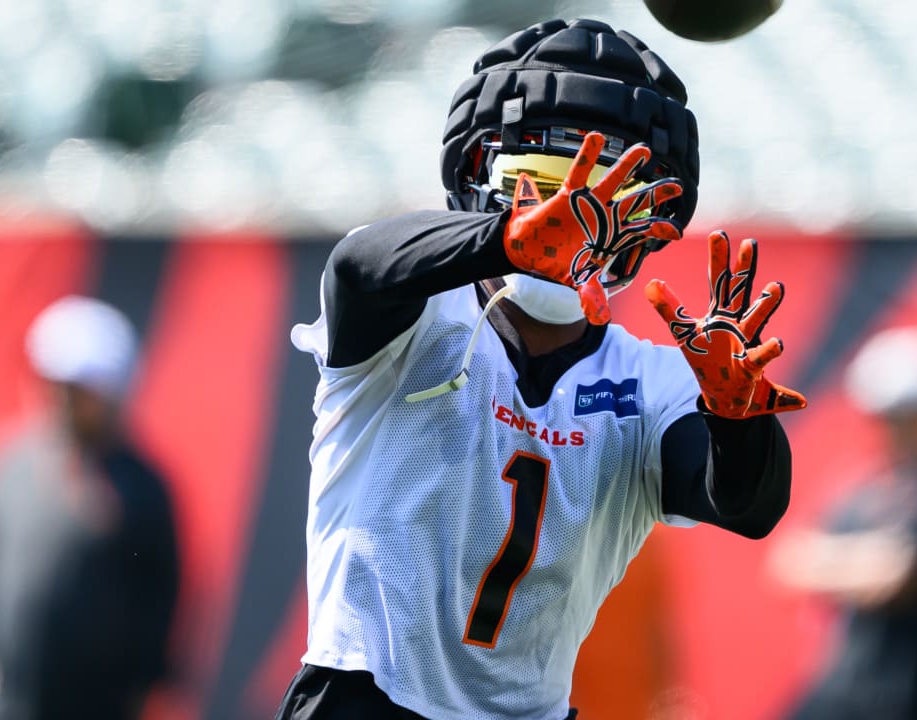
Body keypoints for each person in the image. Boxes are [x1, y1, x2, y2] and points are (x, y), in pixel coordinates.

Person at [276, 17, 808, 720]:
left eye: (602, 202)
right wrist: (505, 240)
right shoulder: (414, 319)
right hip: (363, 700)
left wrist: (739, 422)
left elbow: (748, 507)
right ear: (478, 180)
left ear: (647, 221)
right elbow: (362, 266)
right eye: (538, 187)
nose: (569, 216)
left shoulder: (655, 383)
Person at [0, 296, 179, 720]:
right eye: (51, 380)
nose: (59, 397)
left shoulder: (143, 489)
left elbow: (159, 605)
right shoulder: (4, 466)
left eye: (76, 389)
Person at [768, 327, 917, 720]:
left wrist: (832, 562)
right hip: (835, 692)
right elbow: (787, 564)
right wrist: (870, 560)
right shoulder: (854, 488)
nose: (888, 428)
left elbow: (896, 580)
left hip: (907, 697)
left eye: (899, 416)